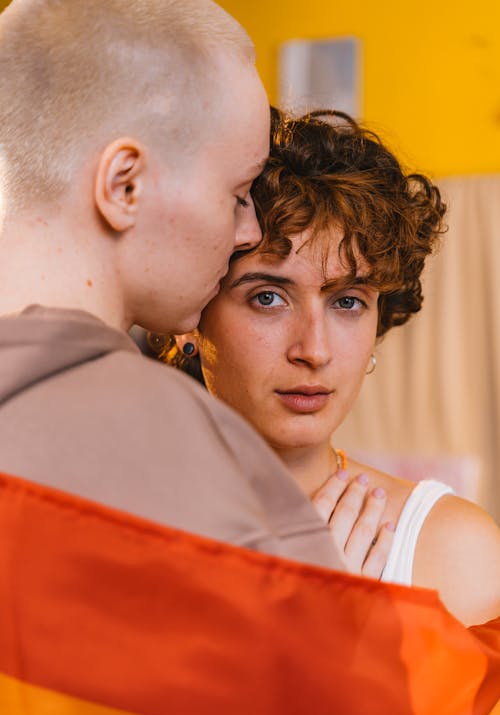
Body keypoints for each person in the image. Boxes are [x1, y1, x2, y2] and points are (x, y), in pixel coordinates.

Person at [0, 0, 349, 570]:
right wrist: (336, 601)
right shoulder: (185, 453)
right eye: (238, 195)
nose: (249, 230)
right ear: (124, 186)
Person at [166, 107, 500, 626]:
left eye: (347, 302)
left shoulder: (454, 552)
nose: (315, 350)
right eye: (269, 298)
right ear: (189, 312)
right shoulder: (108, 521)